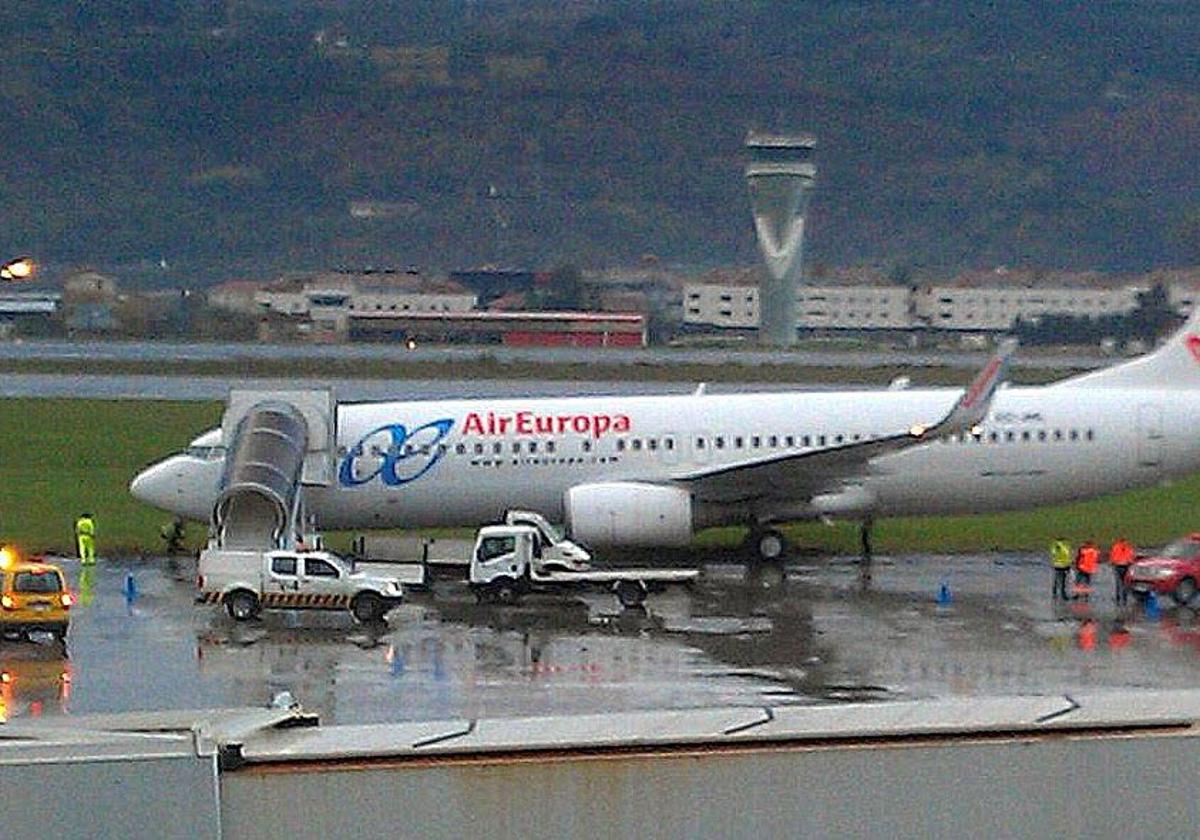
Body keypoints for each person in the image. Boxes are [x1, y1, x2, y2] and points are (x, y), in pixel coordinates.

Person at [1108, 537, 1136, 606]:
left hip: (1117, 566)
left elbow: (1112, 557)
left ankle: (1118, 598)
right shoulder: (1129, 548)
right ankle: (1124, 599)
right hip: (1126, 566)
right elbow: (1132, 557)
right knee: (1125, 583)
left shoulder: (1115, 547)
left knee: (1118, 583)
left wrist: (1112, 563)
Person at [1050, 537, 1072, 601]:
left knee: (1056, 579)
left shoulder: (1054, 547)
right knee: (1063, 581)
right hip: (1063, 566)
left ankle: (1054, 592)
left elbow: (1053, 554)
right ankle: (1063, 595)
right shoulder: (1064, 548)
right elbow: (1066, 556)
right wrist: (1068, 565)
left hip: (1056, 565)